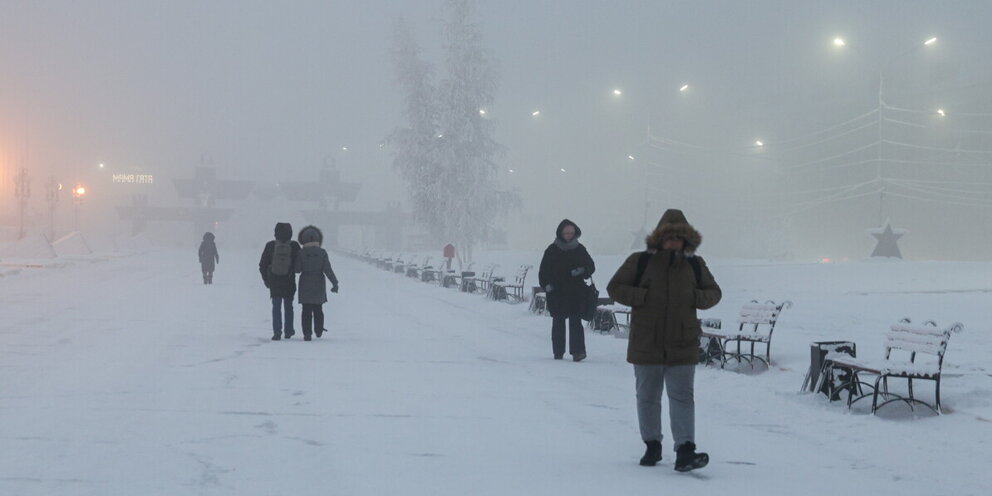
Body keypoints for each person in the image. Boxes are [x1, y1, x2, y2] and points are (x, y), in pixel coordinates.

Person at [606, 209, 721, 472]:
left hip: (682, 340)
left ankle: (685, 450)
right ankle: (652, 445)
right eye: (668, 238)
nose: (673, 243)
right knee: (648, 396)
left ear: (686, 240)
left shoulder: (694, 264)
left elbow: (714, 293)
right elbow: (615, 287)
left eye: (679, 238)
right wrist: (641, 296)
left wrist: (695, 297)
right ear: (659, 238)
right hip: (647, 339)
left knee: (682, 396)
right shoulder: (640, 261)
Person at [538, 219, 595, 362]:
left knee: (576, 321)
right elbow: (543, 270)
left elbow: (590, 266)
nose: (569, 235)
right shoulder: (552, 250)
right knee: (558, 321)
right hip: (557, 291)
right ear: (561, 233)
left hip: (576, 291)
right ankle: (558, 352)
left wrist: (582, 270)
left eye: (571, 233)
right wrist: (546, 285)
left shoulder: (580, 249)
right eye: (566, 233)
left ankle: (578, 352)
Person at [294, 225, 339, 342]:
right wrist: (335, 283)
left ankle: (307, 333)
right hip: (319, 283)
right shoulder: (322, 252)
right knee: (318, 308)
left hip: (305, 283)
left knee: (306, 310)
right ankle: (318, 330)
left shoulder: (301, 253)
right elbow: (328, 269)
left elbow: (297, 269)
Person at [259, 222, 301, 341]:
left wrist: (267, 281)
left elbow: (262, 265)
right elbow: (299, 266)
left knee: (276, 307)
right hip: (289, 281)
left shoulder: (270, 246)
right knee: (289, 306)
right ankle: (288, 331)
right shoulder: (294, 246)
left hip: (274, 281)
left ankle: (277, 332)